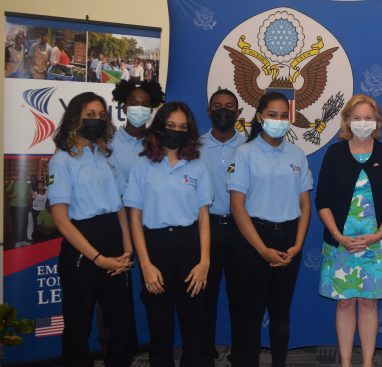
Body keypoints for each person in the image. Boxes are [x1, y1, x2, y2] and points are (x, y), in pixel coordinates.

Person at [47, 91, 136, 367]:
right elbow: (61, 220)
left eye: (100, 115)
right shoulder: (62, 160)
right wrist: (97, 259)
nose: (96, 120)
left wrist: (128, 248)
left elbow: (120, 207)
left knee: (123, 325)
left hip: (115, 242)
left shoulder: (104, 154)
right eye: (90, 115)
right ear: (75, 118)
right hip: (81, 249)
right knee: (78, 328)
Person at [227, 92, 313, 367]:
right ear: (260, 117)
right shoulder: (244, 153)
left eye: (283, 116)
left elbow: (304, 204)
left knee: (281, 312)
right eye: (272, 115)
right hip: (253, 240)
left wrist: (298, 245)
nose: (278, 121)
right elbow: (237, 207)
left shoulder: (297, 154)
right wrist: (262, 249)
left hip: (289, 239)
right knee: (248, 314)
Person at [124, 101, 212, 367]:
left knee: (193, 329)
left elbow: (204, 217)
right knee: (160, 329)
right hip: (155, 247)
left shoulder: (197, 167)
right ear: (159, 127)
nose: (176, 131)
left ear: (190, 131)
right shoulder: (142, 167)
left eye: (182, 127)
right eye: (171, 126)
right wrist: (146, 265)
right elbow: (135, 218)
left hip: (189, 246)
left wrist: (204, 261)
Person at [316, 94, 382, 367]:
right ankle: (345, 362)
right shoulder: (334, 153)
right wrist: (339, 237)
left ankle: (366, 363)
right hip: (340, 245)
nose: (363, 123)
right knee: (343, 303)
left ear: (376, 121)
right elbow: (322, 201)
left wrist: (379, 235)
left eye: (368, 118)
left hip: (375, 246)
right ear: (347, 121)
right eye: (357, 118)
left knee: (368, 304)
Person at [198, 88, 246, 366]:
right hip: (207, 229)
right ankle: (205, 354)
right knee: (205, 298)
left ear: (239, 113)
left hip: (242, 230)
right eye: (217, 106)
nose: (223, 111)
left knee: (241, 298)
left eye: (229, 106)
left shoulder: (250, 147)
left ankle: (241, 354)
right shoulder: (195, 148)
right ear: (209, 112)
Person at [109, 79, 165, 193]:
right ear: (125, 109)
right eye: (134, 104)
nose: (139, 108)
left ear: (150, 111)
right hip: (118, 208)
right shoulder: (108, 143)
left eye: (145, 105)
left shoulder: (159, 144)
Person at [6, 174, 31, 247]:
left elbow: (28, 195)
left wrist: (30, 205)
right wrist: (10, 196)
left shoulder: (27, 184)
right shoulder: (14, 183)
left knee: (24, 224)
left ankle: (23, 240)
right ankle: (16, 241)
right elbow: (7, 191)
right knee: (16, 224)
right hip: (15, 206)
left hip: (25, 206)